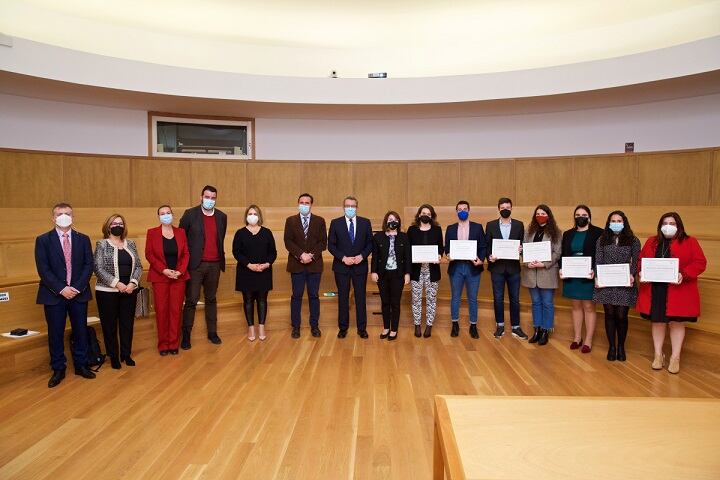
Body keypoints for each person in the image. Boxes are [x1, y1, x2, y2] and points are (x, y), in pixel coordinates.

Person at [35, 203, 96, 388]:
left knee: (80, 331)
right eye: (59, 214)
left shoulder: (83, 239)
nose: (63, 216)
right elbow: (43, 269)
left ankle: (81, 365)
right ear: (53, 218)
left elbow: (88, 265)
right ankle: (58, 369)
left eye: (67, 213)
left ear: (73, 217)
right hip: (54, 295)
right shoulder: (43, 240)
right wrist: (62, 288)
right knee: (55, 333)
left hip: (79, 294)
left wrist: (75, 288)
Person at [637, 212, 706, 374]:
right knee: (658, 322)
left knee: (676, 323)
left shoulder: (690, 242)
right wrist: (641, 272)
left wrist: (685, 273)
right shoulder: (651, 241)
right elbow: (641, 260)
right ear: (660, 226)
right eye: (665, 223)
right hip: (656, 290)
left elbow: (700, 262)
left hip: (678, 290)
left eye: (672, 223)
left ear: (679, 225)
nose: (668, 226)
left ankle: (675, 357)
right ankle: (658, 354)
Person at [179, 185, 228, 349]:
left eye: (213, 198)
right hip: (195, 265)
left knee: (211, 299)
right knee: (191, 300)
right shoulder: (190, 214)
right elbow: (181, 238)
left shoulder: (222, 217)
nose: (210, 200)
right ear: (201, 197)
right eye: (207, 197)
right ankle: (185, 336)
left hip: (215, 264)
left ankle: (212, 333)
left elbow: (220, 238)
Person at [94, 214, 143, 368]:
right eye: (114, 223)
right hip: (107, 292)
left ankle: (126, 354)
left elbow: (139, 266)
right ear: (108, 226)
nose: (118, 226)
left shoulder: (131, 244)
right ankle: (113, 356)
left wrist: (132, 283)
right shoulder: (102, 244)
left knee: (127, 324)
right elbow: (98, 268)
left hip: (129, 291)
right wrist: (117, 284)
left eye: (121, 223)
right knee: (109, 325)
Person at [593, 211, 641, 362]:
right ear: (608, 222)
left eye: (619, 220)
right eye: (613, 220)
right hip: (607, 283)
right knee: (609, 314)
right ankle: (611, 347)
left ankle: (621, 346)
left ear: (624, 222)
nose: (616, 222)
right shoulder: (602, 239)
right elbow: (598, 260)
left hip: (625, 282)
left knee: (621, 315)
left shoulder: (633, 240)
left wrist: (632, 274)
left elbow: (637, 259)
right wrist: (597, 276)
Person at [145, 205, 189, 356]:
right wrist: (163, 270)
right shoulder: (152, 233)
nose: (165, 215)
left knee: (176, 311)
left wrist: (180, 271)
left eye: (168, 213)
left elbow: (186, 254)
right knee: (162, 311)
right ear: (158, 217)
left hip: (178, 277)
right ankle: (163, 344)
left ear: (172, 214)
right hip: (160, 277)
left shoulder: (181, 232)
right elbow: (149, 254)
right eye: (162, 214)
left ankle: (173, 343)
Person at [328, 196, 373, 339]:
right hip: (342, 267)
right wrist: (343, 258)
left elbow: (370, 244)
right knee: (343, 298)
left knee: (360, 298)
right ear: (343, 207)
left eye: (353, 206)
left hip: (360, 267)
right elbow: (331, 245)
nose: (350, 208)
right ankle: (343, 328)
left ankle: (362, 328)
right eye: (348, 206)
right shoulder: (335, 223)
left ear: (357, 207)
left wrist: (362, 256)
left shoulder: (365, 223)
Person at [560, 205, 603, 353]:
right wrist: (561, 269)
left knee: (589, 307)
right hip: (572, 275)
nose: (580, 217)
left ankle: (588, 340)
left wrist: (596, 272)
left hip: (588, 275)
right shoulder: (568, 234)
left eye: (584, 214)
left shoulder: (598, 233)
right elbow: (563, 254)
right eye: (577, 215)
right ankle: (577, 337)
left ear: (589, 216)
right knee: (576, 306)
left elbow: (601, 256)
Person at [284, 193, 327, 339]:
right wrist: (301, 255)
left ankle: (314, 326)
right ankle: (295, 327)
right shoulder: (290, 221)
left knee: (314, 296)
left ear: (311, 204)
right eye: (301, 202)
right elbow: (288, 241)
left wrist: (311, 256)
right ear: (298, 204)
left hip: (314, 266)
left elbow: (323, 243)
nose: (304, 204)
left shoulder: (320, 221)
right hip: (297, 265)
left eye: (307, 202)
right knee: (296, 296)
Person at [232, 205, 277, 342]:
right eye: (250, 213)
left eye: (255, 213)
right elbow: (236, 252)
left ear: (259, 216)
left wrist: (267, 264)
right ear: (246, 216)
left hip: (264, 271)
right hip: (246, 272)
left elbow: (273, 252)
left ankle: (261, 327)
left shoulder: (267, 232)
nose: (252, 216)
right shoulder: (240, 233)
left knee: (262, 300)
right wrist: (249, 265)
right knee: (248, 300)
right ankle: (251, 328)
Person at [485, 197, 528, 340]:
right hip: (496, 268)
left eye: (508, 207)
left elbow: (522, 246)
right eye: (502, 207)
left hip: (513, 269)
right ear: (498, 208)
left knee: (515, 299)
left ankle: (516, 327)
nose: (505, 210)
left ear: (511, 208)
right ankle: (500, 326)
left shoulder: (519, 225)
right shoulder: (490, 225)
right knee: (498, 298)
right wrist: (489, 256)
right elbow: (487, 246)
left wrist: (521, 249)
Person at [444, 201, 487, 338]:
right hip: (456, 267)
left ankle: (473, 325)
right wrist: (449, 254)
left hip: (472, 268)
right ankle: (454, 324)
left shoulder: (477, 227)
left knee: (472, 298)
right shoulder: (450, 228)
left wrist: (480, 260)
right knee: (455, 297)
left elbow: (483, 246)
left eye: (465, 209)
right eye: (459, 209)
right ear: (456, 211)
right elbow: (447, 248)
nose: (462, 211)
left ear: (469, 210)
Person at [521, 204, 562, 346]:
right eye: (537, 213)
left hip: (547, 272)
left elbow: (557, 253)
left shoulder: (556, 232)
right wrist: (527, 263)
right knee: (536, 303)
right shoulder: (529, 231)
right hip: (531, 273)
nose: (540, 215)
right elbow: (523, 251)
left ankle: (545, 331)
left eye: (543, 213)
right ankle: (537, 330)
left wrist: (544, 263)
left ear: (548, 215)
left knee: (547, 303)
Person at [371, 211, 411, 340]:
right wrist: (373, 271)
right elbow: (375, 256)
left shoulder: (404, 237)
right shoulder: (378, 237)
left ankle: (394, 329)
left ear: (398, 222)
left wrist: (407, 273)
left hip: (398, 275)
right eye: (389, 219)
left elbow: (407, 257)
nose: (392, 221)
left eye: (395, 219)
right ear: (386, 221)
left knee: (395, 302)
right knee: (385, 302)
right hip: (382, 274)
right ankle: (386, 327)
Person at [407, 204, 443, 338]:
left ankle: (429, 325)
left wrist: (439, 255)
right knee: (416, 298)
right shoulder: (412, 230)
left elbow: (440, 248)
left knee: (431, 299)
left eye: (428, 214)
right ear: (419, 214)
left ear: (432, 216)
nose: (425, 215)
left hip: (432, 270)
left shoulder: (437, 230)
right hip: (416, 270)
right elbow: (408, 249)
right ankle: (417, 325)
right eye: (423, 213)